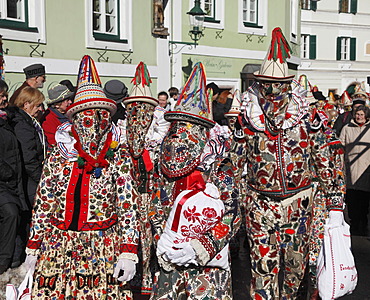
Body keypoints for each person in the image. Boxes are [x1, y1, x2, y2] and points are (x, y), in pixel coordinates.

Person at [24, 56, 144, 299]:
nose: (92, 124)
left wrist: (128, 251)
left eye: (99, 116)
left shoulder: (117, 158)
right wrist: (33, 248)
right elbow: (44, 203)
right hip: (58, 246)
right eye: (85, 117)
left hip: (100, 247)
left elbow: (128, 207)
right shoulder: (60, 155)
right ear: (75, 120)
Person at [239, 27, 345, 299]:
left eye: (278, 87)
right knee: (262, 270)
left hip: (299, 205)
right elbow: (233, 165)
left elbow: (324, 162)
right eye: (266, 86)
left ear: (288, 86)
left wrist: (335, 206)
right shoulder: (246, 119)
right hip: (259, 205)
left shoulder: (308, 120)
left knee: (295, 271)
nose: (272, 93)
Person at [150, 62, 241, 299]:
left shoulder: (219, 166)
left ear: (203, 133)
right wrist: (164, 243)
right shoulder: (162, 165)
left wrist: (200, 247)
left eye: (189, 128)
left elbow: (232, 215)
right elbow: (154, 206)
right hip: (169, 262)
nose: (180, 136)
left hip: (208, 266)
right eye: (176, 126)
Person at [6, 86, 45, 268]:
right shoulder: (22, 125)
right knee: (27, 220)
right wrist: (41, 180)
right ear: (26, 104)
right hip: (29, 181)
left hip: (30, 179)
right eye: (37, 105)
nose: (40, 109)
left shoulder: (28, 121)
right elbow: (29, 157)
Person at [0, 80, 27, 274]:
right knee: (10, 213)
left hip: (12, 181)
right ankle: (3, 261)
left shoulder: (7, 118)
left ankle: (13, 261)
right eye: (1, 95)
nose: (4, 99)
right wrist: (7, 172)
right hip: (3, 180)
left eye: (5, 95)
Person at [340, 105, 370, 236]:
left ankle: (362, 224)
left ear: (366, 116)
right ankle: (354, 223)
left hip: (366, 168)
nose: (359, 117)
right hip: (350, 168)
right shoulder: (347, 129)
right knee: (351, 200)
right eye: (357, 114)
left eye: (361, 115)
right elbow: (341, 147)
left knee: (364, 200)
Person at [41, 84, 74, 148]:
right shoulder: (48, 119)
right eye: (67, 100)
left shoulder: (69, 113)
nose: (70, 102)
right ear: (57, 105)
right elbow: (53, 142)